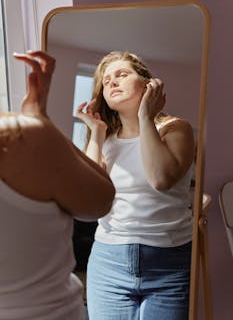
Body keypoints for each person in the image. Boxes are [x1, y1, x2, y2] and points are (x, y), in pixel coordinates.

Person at [76, 51, 195, 320]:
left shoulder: (176, 129)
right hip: (108, 262)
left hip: (170, 264)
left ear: (148, 83)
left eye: (122, 74)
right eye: (106, 81)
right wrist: (95, 133)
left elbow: (160, 179)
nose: (112, 83)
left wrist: (145, 117)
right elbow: (88, 200)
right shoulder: (106, 141)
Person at [0, 51, 115, 320]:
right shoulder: (17, 139)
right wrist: (41, 121)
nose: (113, 82)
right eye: (108, 77)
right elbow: (102, 199)